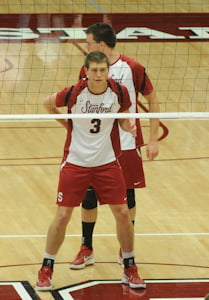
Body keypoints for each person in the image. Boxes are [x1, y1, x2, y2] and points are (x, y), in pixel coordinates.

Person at [35, 51, 146, 291]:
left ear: (108, 71)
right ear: (86, 71)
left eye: (102, 70)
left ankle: (129, 265)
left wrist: (128, 126)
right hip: (76, 162)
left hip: (107, 162)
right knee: (63, 216)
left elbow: (123, 118)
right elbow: (47, 102)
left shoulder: (118, 92)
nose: (98, 74)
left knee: (123, 213)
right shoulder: (75, 92)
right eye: (93, 70)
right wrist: (67, 125)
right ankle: (46, 267)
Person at [70, 22, 160, 269]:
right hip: (95, 145)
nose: (86, 46)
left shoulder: (132, 68)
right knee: (88, 198)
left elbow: (152, 100)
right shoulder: (88, 69)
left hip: (126, 144)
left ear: (101, 44)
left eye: (88, 42)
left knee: (127, 198)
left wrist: (152, 139)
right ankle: (86, 248)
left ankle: (126, 249)